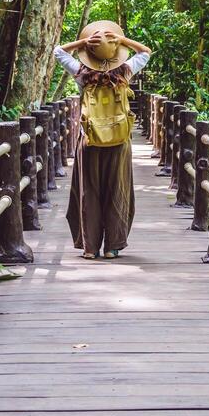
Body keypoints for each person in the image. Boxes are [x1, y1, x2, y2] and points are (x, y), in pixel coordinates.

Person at [55, 20, 151, 259]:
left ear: (88, 53)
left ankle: (90, 248)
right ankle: (112, 246)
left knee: (89, 191)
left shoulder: (81, 74)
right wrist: (122, 41)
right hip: (119, 139)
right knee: (117, 189)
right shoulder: (125, 71)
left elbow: (58, 51)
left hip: (90, 140)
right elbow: (145, 52)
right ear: (116, 53)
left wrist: (83, 42)